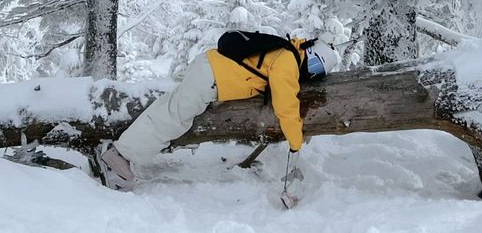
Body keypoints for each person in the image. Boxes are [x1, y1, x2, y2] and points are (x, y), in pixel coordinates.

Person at [98, 36, 338, 189]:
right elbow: (286, 106)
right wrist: (295, 142)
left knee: (170, 111)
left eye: (318, 72)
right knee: (174, 119)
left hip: (210, 69)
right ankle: (119, 155)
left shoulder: (285, 52)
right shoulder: (288, 61)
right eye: (315, 66)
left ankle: (122, 152)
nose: (312, 73)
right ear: (309, 54)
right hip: (210, 78)